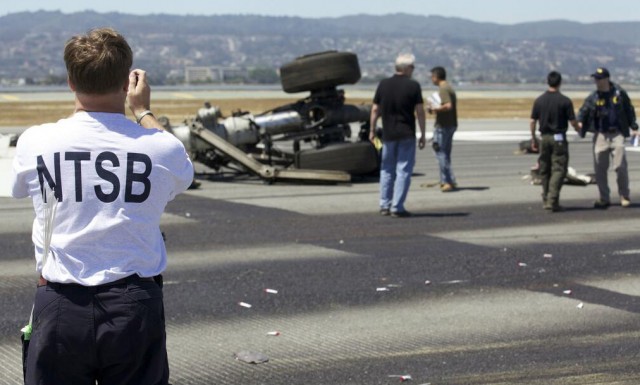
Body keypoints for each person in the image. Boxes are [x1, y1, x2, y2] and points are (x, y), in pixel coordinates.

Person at [10, 28, 194, 385]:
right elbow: (182, 167)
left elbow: (19, 188)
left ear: (70, 82)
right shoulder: (159, 148)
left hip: (59, 300)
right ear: (127, 84)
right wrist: (143, 112)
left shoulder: (37, 141)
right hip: (134, 304)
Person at [369, 53, 426, 218]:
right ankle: (397, 206)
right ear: (407, 68)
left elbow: (374, 110)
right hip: (406, 133)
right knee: (403, 170)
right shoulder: (414, 86)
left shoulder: (383, 84)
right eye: (413, 67)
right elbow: (420, 112)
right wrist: (422, 133)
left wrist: (372, 130)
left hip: (388, 134)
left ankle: (384, 205)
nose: (413, 70)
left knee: (386, 169)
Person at [577, 67, 638, 209]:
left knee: (620, 166)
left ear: (606, 79)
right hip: (600, 134)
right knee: (599, 168)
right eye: (595, 79)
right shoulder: (594, 97)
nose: (597, 82)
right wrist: (580, 122)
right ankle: (604, 197)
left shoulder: (619, 93)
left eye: (599, 79)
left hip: (617, 133)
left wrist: (634, 127)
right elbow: (583, 110)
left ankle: (624, 195)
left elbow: (629, 110)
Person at [529, 71, 580, 212]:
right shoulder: (565, 101)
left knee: (545, 169)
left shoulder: (539, 100)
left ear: (548, 82)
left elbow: (532, 121)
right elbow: (572, 121)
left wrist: (533, 138)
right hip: (558, 138)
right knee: (559, 169)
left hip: (544, 138)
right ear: (560, 83)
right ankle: (552, 199)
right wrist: (578, 128)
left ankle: (547, 199)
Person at [427, 66, 458, 192]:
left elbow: (448, 106)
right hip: (450, 124)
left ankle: (448, 180)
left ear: (436, 76)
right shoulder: (448, 87)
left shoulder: (443, 89)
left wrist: (434, 109)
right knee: (445, 153)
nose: (431, 79)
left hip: (443, 125)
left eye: (432, 77)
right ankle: (445, 179)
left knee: (439, 152)